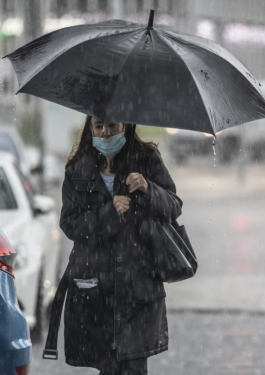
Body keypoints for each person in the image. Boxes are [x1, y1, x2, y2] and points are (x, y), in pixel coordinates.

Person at [56, 115, 182, 375]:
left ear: (126, 126)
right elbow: (70, 225)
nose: (105, 133)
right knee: (108, 367)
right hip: (95, 290)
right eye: (99, 126)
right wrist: (108, 214)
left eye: (112, 125)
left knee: (134, 366)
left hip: (137, 289)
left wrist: (149, 189)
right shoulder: (78, 170)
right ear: (90, 129)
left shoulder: (146, 160)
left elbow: (173, 206)